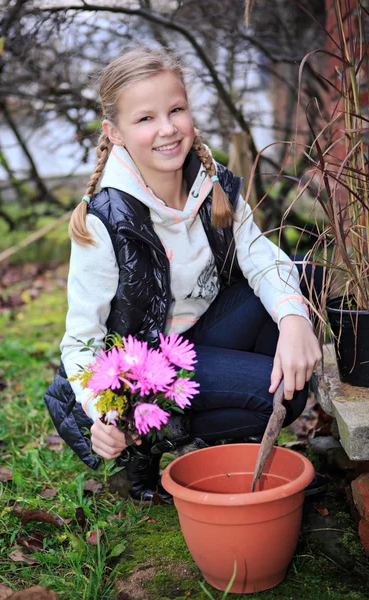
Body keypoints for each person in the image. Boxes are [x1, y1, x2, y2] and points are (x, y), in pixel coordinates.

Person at [45, 45, 322, 503]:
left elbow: (260, 258)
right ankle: (156, 437)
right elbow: (81, 340)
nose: (168, 129)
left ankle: (232, 438)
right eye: (145, 119)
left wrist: (294, 320)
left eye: (176, 110)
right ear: (114, 133)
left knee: (298, 275)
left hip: (196, 335)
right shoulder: (105, 221)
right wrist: (102, 414)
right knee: (284, 396)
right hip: (146, 372)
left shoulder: (212, 185)